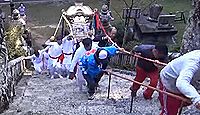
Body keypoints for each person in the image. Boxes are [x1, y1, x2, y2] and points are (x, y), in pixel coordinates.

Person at [159, 50, 200, 115]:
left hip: (184, 80)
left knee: (187, 100)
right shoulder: (193, 63)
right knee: (170, 112)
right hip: (169, 82)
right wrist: (197, 100)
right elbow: (181, 83)